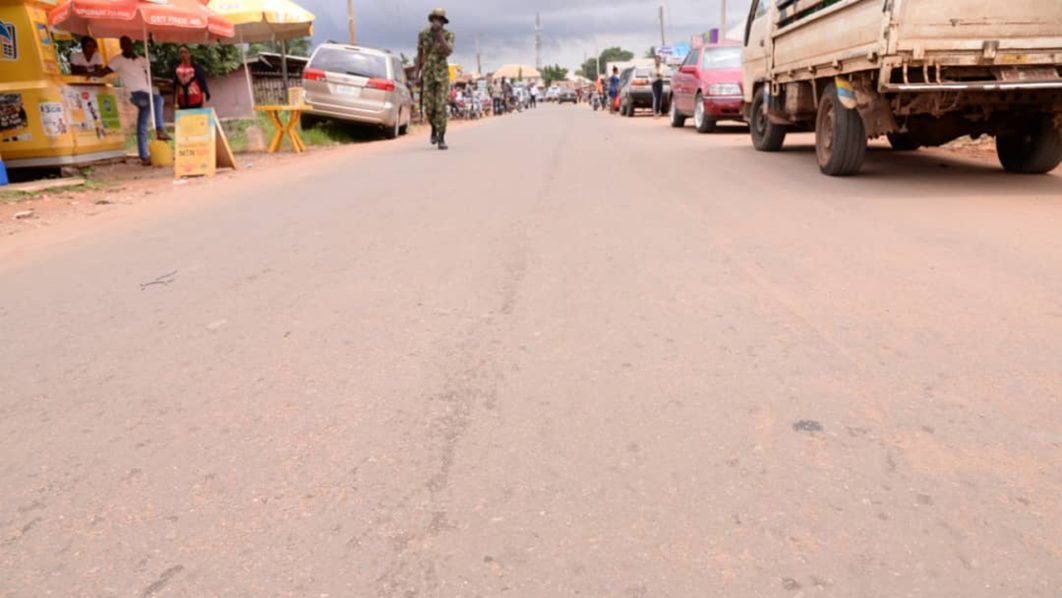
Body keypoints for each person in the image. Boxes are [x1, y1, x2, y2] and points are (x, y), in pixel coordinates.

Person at [100, 37, 169, 165]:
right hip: (135, 94)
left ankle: (144, 156)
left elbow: (149, 72)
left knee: (142, 125)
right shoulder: (117, 60)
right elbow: (103, 71)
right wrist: (89, 72)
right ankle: (160, 128)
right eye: (124, 44)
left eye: (128, 44)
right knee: (158, 99)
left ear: (132, 45)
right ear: (121, 46)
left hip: (146, 92)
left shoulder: (141, 59)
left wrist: (152, 85)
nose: (127, 46)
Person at [416, 8, 454, 150]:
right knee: (429, 107)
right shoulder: (423, 34)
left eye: (440, 19)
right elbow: (419, 54)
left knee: (440, 107)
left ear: (444, 22)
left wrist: (439, 36)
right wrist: (417, 75)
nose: (438, 21)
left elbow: (448, 51)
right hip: (427, 74)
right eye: (435, 18)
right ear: (432, 19)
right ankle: (433, 127)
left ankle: (442, 138)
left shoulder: (448, 35)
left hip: (442, 75)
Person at [172, 45, 210, 110]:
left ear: (190, 54)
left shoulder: (197, 68)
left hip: (196, 101)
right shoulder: (177, 69)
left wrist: (203, 104)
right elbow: (176, 86)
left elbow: (203, 86)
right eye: (181, 52)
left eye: (185, 52)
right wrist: (175, 103)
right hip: (182, 103)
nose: (183, 54)